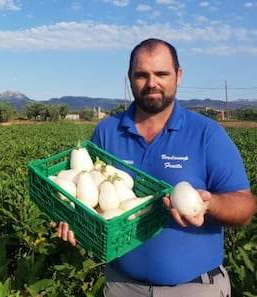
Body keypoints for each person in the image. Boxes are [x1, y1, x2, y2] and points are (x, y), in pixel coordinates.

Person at [56, 38, 256, 297]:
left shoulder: (207, 134)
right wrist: (74, 222)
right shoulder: (106, 132)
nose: (152, 83)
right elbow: (90, 200)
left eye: (162, 74)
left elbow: (245, 207)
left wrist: (210, 205)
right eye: (142, 75)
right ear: (130, 78)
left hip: (195, 288)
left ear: (178, 76)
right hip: (122, 286)